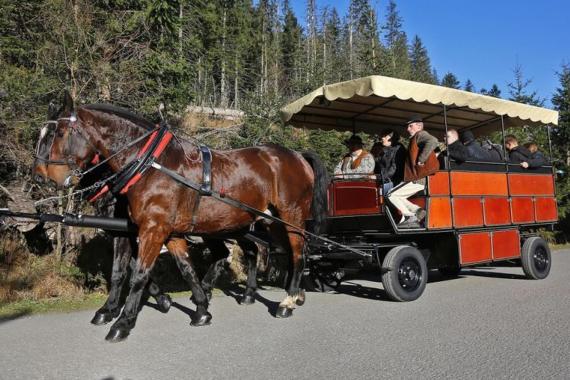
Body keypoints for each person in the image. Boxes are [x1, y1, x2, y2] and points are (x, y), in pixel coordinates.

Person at [387, 116, 439, 227]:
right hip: (416, 177)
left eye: (410, 126)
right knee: (397, 196)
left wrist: (421, 160)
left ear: (419, 126)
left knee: (390, 195)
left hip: (417, 178)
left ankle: (409, 216)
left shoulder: (420, 134)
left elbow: (433, 141)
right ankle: (418, 211)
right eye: (407, 126)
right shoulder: (415, 137)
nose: (408, 129)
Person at [372, 128, 406, 194]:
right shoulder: (382, 148)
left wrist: (378, 177)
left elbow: (394, 169)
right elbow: (376, 165)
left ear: (390, 137)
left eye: (384, 136)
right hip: (382, 180)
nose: (381, 138)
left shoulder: (399, 148)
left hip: (394, 183)